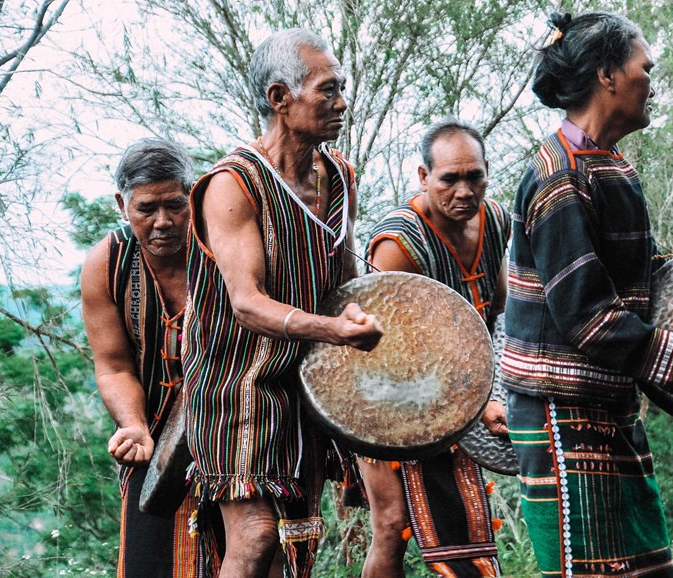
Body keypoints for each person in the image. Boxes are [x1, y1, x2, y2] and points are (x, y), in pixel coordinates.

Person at [501, 11, 673, 578]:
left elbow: (636, 275)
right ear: (608, 75)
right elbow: (587, 317)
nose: (652, 81)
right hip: (560, 409)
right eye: (646, 68)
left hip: (605, 402)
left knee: (641, 568)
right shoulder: (561, 177)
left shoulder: (608, 165)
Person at [181, 28, 383, 578]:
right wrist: (335, 331)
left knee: (292, 550)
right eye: (328, 90)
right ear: (279, 98)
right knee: (255, 534)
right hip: (235, 389)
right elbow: (247, 304)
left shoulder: (339, 177)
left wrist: (361, 325)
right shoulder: (233, 185)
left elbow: (345, 284)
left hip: (303, 389)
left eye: (341, 89)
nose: (342, 103)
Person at [359, 119, 510, 577]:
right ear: (424, 177)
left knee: (461, 522)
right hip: (387, 396)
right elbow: (388, 354)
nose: (464, 191)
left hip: (461, 392)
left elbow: (497, 313)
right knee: (392, 525)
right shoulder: (398, 246)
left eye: (475, 176)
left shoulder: (495, 220)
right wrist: (477, 402)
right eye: (449, 179)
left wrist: (497, 392)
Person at [81, 138, 222, 577]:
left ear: (192, 195)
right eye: (146, 209)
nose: (163, 221)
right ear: (122, 205)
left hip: (232, 432)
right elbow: (114, 365)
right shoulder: (108, 263)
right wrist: (133, 426)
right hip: (153, 443)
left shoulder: (224, 246)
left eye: (175, 205)